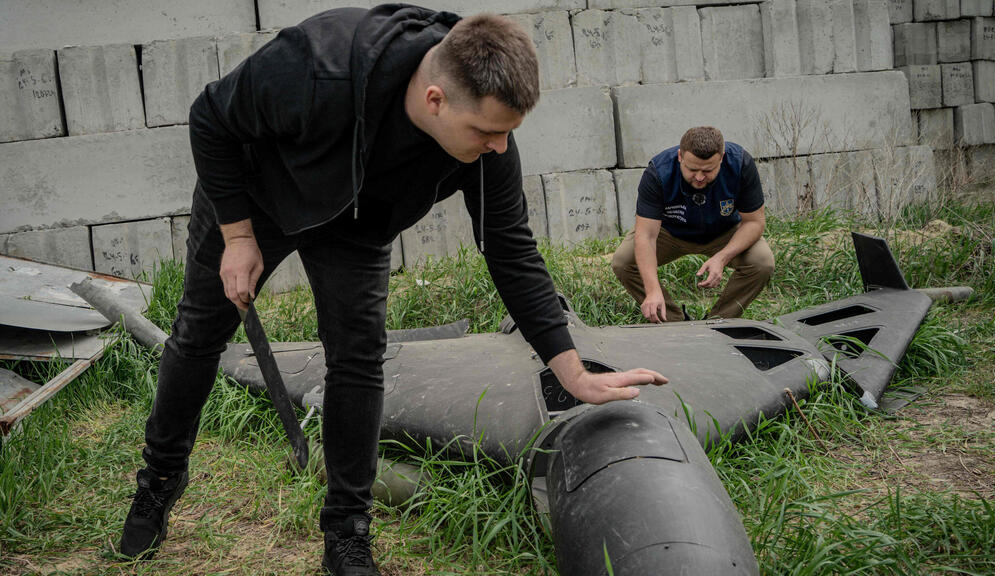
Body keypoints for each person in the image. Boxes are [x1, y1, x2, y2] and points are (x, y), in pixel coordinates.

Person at [117, 5, 667, 575]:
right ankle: (158, 479)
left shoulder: (487, 143)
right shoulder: (317, 66)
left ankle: (347, 533)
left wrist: (570, 370)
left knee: (358, 359)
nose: (500, 147)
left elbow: (511, 252)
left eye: (508, 133)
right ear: (436, 100)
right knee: (198, 334)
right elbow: (210, 117)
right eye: (487, 131)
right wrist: (235, 235)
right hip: (254, 198)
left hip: (357, 223)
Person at [611, 126, 774, 322]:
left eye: (708, 170)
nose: (698, 177)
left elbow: (754, 222)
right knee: (623, 262)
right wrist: (652, 290)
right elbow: (646, 235)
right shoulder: (658, 172)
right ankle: (675, 323)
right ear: (680, 156)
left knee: (762, 262)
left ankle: (718, 323)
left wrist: (722, 258)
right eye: (692, 169)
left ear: (721, 158)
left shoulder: (740, 164)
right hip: (669, 232)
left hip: (724, 232)